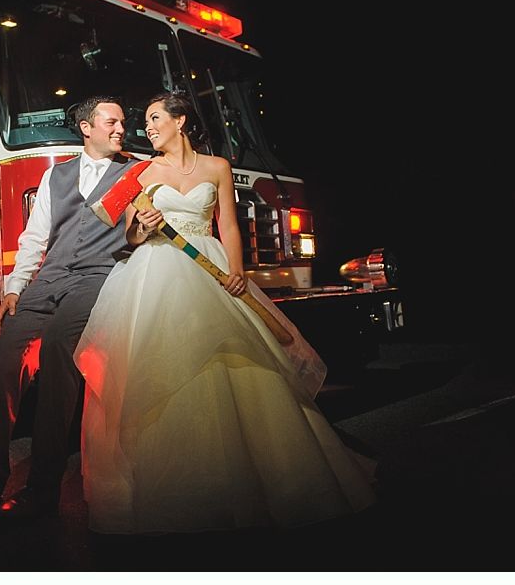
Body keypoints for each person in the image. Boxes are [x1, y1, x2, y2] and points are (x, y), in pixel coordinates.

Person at [73, 91, 376, 534]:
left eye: (156, 118)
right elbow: (130, 236)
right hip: (155, 273)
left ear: (181, 121)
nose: (148, 127)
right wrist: (143, 226)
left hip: (211, 269)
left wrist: (237, 273)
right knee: (164, 370)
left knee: (238, 365)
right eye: (147, 121)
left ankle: (269, 479)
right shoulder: (140, 172)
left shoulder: (217, 168)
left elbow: (228, 225)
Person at [0, 96, 140, 528]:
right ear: (86, 127)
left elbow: (141, 229)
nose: (120, 128)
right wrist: (14, 287)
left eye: (122, 121)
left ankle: (41, 491)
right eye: (112, 121)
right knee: (3, 359)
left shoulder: (135, 172)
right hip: (50, 278)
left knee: (60, 350)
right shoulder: (55, 176)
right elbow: (35, 236)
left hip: (98, 277)